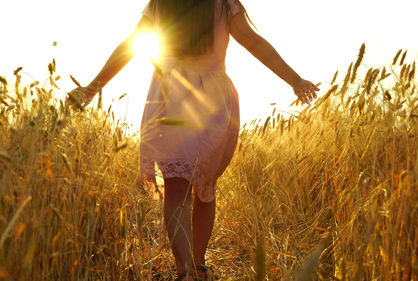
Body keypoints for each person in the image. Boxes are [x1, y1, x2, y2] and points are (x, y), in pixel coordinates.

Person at [67, 0, 319, 280]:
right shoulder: (224, 3)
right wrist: (294, 79)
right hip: (213, 101)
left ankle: (186, 271)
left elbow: (131, 45)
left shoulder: (161, 3)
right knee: (205, 188)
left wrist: (91, 88)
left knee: (177, 192)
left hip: (169, 97)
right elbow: (253, 42)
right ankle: (198, 267)